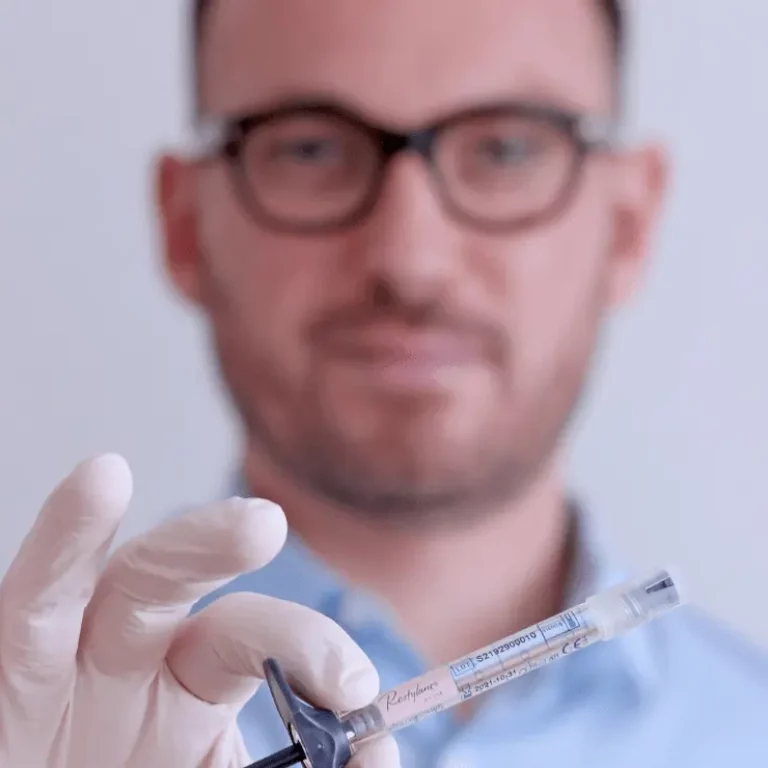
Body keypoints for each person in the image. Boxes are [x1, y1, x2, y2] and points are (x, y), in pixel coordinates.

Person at [1, 0, 767, 766]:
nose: (410, 260)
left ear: (629, 223)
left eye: (502, 149)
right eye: (310, 148)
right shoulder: (45, 725)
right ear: (185, 224)